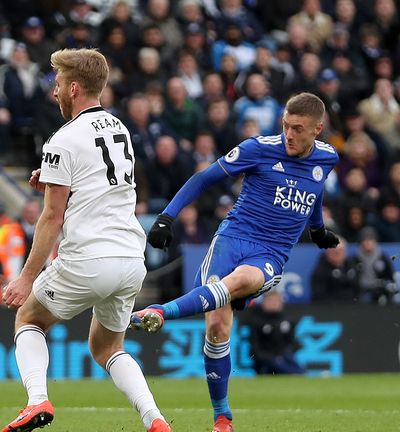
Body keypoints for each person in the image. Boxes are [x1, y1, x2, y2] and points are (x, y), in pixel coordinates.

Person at [131, 92, 340, 432]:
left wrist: (317, 229)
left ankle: (160, 312)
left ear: (318, 128)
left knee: (239, 282)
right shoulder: (258, 148)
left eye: (298, 129)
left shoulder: (329, 157)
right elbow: (204, 179)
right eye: (286, 125)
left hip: (270, 252)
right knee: (216, 328)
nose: (289, 134)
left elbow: (314, 190)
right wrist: (166, 217)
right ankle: (222, 416)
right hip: (231, 240)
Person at [0, 48, 170, 432]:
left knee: (29, 317)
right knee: (108, 347)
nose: (55, 93)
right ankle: (155, 420)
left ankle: (37, 401)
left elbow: (51, 217)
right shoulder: (119, 128)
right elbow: (97, 183)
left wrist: (27, 277)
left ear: (74, 87)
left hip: (89, 258)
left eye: (59, 84)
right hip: (130, 259)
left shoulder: (63, 138)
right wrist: (52, 178)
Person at [246, 290, 306, 375]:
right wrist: (269, 357)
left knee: (288, 358)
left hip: (284, 357)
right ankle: (298, 373)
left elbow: (293, 342)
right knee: (275, 362)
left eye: (276, 301)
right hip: (265, 360)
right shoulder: (257, 322)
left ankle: (300, 372)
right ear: (264, 303)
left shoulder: (288, 320)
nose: (273, 304)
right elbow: (254, 347)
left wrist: (284, 354)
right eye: (270, 301)